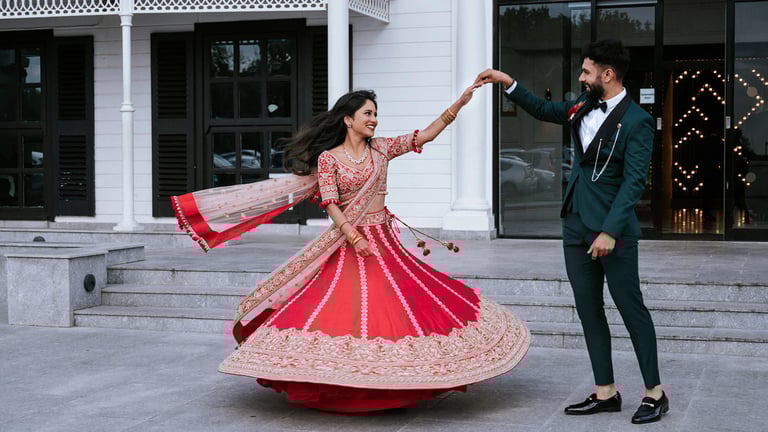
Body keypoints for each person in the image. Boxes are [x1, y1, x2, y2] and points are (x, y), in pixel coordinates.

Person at [172, 86, 530, 413]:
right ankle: (344, 383)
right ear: (348, 120)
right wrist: (354, 236)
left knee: (399, 307)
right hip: (350, 243)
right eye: (368, 114)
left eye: (376, 114)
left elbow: (427, 134)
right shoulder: (330, 159)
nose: (374, 120)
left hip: (385, 242)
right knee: (346, 310)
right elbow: (330, 203)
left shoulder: (383, 148)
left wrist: (460, 104)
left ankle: (396, 381)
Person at [475, 39, 668, 424]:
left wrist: (610, 231)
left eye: (586, 72)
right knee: (588, 311)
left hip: (614, 232)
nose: (581, 78)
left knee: (631, 310)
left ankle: (655, 393)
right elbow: (545, 109)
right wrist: (507, 81)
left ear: (607, 75)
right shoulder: (582, 105)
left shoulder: (638, 122)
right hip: (576, 225)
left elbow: (633, 184)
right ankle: (606, 392)